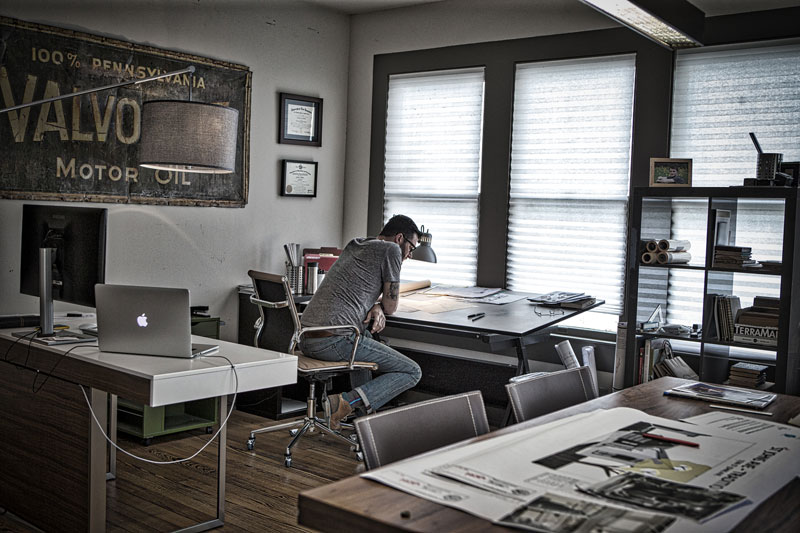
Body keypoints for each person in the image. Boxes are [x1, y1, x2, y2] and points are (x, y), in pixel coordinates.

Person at [298, 214, 423, 429]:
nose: (410, 255)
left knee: (365, 335)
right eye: (411, 248)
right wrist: (381, 306)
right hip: (333, 340)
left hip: (305, 338)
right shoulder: (392, 250)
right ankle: (346, 402)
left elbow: (359, 291)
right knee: (412, 371)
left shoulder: (356, 244)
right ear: (400, 238)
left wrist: (375, 305)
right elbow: (391, 306)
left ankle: (365, 421)